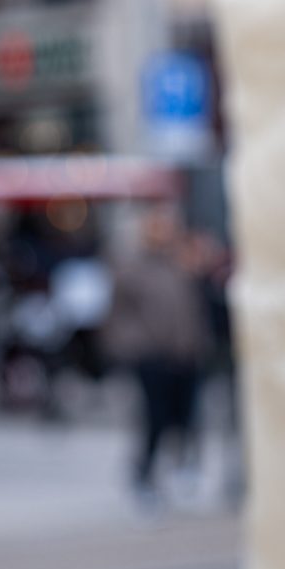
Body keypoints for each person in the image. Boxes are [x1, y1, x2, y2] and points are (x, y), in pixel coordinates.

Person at [106, 207, 208, 504]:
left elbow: (194, 308)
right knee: (154, 418)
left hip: (185, 354)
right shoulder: (132, 267)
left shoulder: (182, 263)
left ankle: (182, 469)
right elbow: (118, 316)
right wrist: (134, 346)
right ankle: (144, 476)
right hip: (151, 356)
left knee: (186, 417)